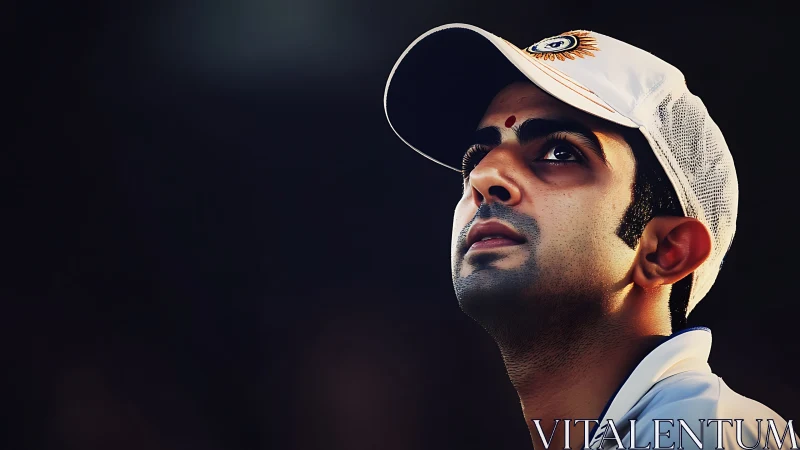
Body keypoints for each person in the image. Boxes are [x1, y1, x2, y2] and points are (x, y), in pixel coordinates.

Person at [383, 24, 797, 450]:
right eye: (477, 158)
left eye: (560, 153)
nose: (485, 177)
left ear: (666, 251)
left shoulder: (704, 434)